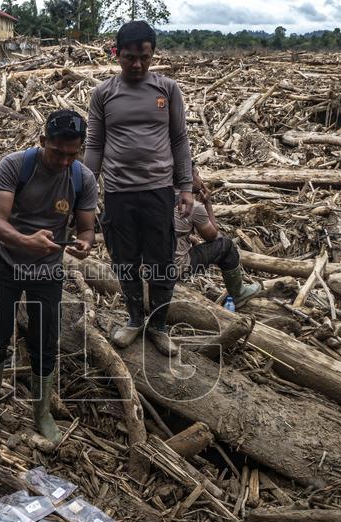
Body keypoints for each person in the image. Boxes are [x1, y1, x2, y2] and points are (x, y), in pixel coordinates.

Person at [0, 110, 98, 443]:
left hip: (47, 272)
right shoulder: (16, 165)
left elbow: (87, 228)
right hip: (6, 263)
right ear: (43, 141)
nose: (63, 161)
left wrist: (85, 244)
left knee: (45, 342)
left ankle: (41, 414)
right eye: (57, 152)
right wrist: (25, 240)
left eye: (72, 154)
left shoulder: (82, 178)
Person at [85, 20, 193, 355]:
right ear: (117, 53)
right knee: (125, 261)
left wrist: (185, 185)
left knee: (161, 261)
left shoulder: (167, 89)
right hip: (118, 193)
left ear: (152, 54)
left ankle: (158, 326)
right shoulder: (103, 94)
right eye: (129, 57)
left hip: (159, 191)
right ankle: (134, 320)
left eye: (144, 58)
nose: (137, 65)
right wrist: (85, 194)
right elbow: (95, 145)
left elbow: (179, 139)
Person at [176, 164, 261, 306]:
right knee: (227, 245)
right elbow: (215, 237)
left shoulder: (163, 199)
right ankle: (238, 294)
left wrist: (189, 237)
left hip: (151, 266)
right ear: (188, 178)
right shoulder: (194, 207)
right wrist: (207, 203)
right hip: (174, 268)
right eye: (197, 174)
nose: (200, 179)